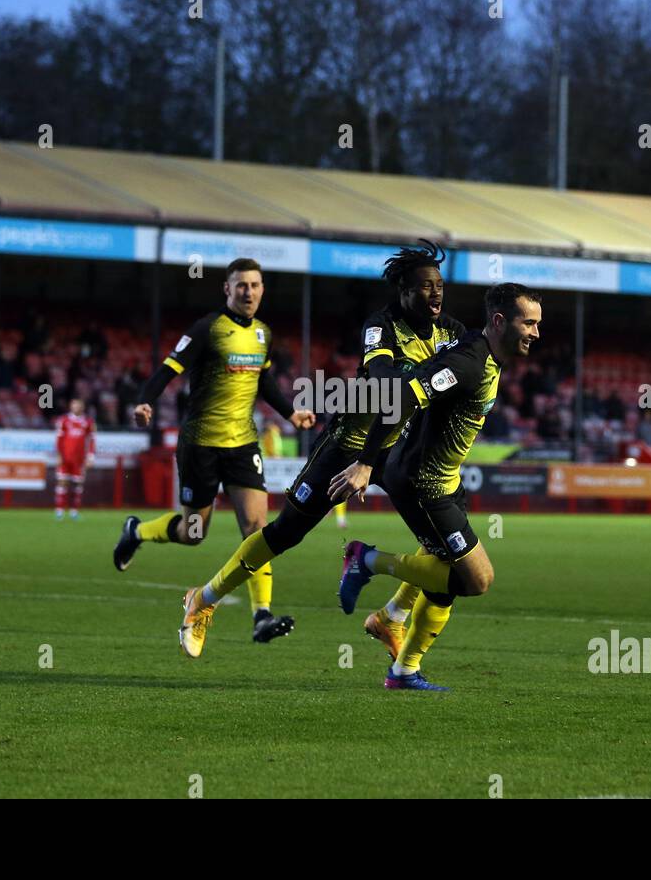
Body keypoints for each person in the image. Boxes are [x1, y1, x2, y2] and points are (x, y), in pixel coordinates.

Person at [174, 241, 464, 658]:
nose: (435, 294)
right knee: (285, 532)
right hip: (350, 445)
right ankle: (203, 599)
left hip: (397, 449)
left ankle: (391, 618)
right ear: (402, 290)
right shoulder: (380, 327)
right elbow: (384, 382)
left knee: (442, 536)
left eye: (439, 286)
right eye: (424, 287)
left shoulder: (450, 332)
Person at [328, 283, 542, 691]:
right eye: (528, 323)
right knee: (473, 580)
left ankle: (401, 658)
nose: (535, 332)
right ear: (499, 321)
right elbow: (403, 396)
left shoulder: (485, 356)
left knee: (441, 573)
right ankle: (365, 560)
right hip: (422, 484)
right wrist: (367, 461)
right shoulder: (467, 364)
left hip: (445, 480)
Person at [113, 258, 316, 646]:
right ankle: (136, 531)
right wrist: (144, 402)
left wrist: (291, 413)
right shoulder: (207, 329)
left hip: (242, 444)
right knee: (193, 533)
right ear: (227, 289)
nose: (249, 292)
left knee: (257, 528)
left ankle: (261, 616)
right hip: (200, 445)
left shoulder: (262, 334)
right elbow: (168, 369)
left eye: (255, 285)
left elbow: (265, 380)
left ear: (262, 289)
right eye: (241, 285)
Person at [54, 397, 96, 520]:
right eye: (74, 405)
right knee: (62, 482)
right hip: (65, 457)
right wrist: (59, 455)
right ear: (70, 406)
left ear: (82, 407)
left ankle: (74, 511)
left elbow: (92, 440)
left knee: (78, 484)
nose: (76, 407)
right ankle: (59, 510)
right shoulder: (64, 420)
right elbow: (59, 439)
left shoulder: (88, 422)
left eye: (78, 405)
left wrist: (90, 457)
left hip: (80, 459)